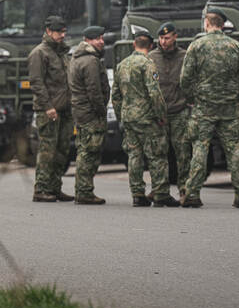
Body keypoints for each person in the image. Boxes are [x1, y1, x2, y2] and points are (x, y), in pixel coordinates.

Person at [179, 9, 239, 208]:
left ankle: (192, 193)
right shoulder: (236, 46)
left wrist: (193, 97)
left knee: (200, 148)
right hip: (229, 107)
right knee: (234, 149)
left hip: (204, 107)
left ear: (206, 23)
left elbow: (185, 79)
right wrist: (234, 96)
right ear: (222, 25)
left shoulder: (196, 46)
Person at [112, 32, 177, 207]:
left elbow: (115, 96)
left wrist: (121, 116)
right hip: (147, 118)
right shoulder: (148, 64)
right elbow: (154, 93)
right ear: (150, 46)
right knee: (157, 155)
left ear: (134, 45)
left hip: (129, 118)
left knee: (134, 155)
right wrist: (161, 115)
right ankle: (161, 193)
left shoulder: (122, 65)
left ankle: (137, 194)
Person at [28, 15, 73, 203]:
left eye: (63, 31)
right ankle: (41, 188)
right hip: (49, 110)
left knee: (62, 149)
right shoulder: (39, 53)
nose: (62, 35)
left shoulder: (62, 53)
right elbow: (36, 83)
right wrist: (48, 107)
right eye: (58, 32)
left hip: (64, 109)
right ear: (48, 31)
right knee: (47, 149)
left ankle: (55, 188)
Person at [148, 22, 195, 200]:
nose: (163, 41)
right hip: (159, 112)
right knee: (158, 152)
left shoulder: (184, 56)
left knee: (183, 152)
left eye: (167, 38)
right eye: (160, 38)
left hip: (179, 110)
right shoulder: (152, 57)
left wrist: (189, 101)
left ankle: (184, 188)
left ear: (175, 37)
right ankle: (160, 188)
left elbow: (191, 81)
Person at [68, 25, 111, 205]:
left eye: (102, 37)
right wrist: (101, 110)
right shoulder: (90, 61)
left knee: (85, 149)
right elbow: (94, 89)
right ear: (88, 40)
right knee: (89, 152)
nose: (101, 41)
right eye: (97, 38)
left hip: (81, 111)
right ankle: (84, 191)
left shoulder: (77, 58)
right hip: (90, 113)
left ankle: (83, 190)